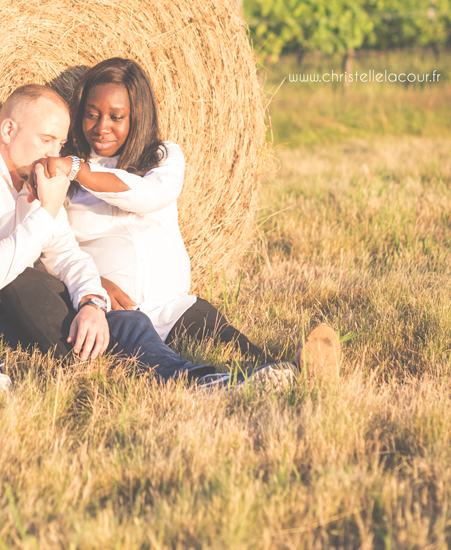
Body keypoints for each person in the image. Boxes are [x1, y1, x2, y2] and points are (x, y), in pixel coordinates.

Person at [0, 83, 298, 404]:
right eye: (47, 140)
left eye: (61, 144)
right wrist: (45, 211)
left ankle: (201, 380)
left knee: (127, 323)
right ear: (8, 130)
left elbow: (68, 255)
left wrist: (92, 305)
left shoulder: (38, 185)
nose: (56, 153)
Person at [35, 58, 341, 376]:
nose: (101, 127)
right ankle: (277, 376)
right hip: (116, 311)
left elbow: (148, 196)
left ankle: (291, 371)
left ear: (137, 116)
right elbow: (49, 245)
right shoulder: (61, 178)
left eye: (116, 117)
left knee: (229, 344)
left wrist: (78, 169)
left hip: (173, 306)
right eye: (92, 115)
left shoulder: (162, 157)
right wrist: (92, 282)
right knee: (171, 367)